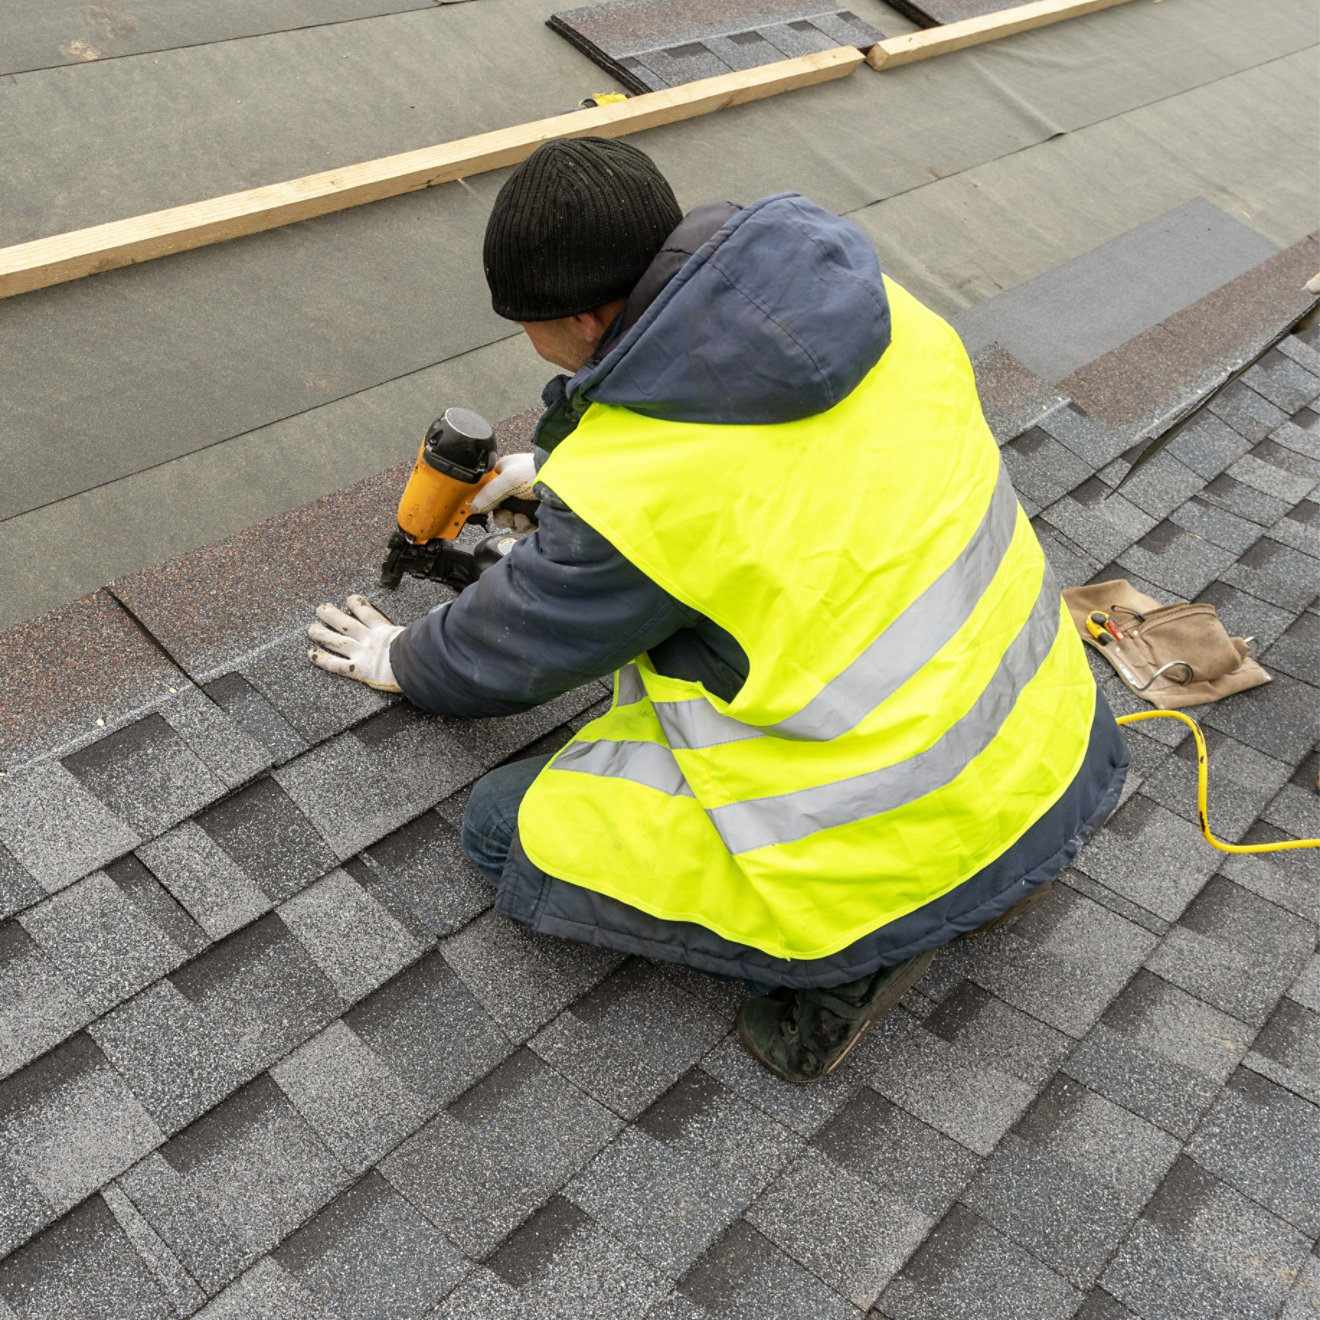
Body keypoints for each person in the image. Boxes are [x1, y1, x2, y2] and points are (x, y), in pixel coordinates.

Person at [308, 136, 1128, 1084]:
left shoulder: (644, 500)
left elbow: (506, 653)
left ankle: (855, 954)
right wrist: (561, 479)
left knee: (503, 829)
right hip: (1047, 745)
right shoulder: (884, 317)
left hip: (900, 829)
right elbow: (777, 475)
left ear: (582, 319)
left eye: (527, 325)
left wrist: (398, 658)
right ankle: (949, 876)